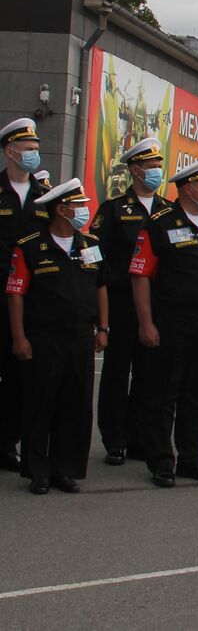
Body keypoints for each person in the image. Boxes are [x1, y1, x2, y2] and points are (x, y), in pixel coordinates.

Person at [128, 155, 198, 487]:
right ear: (189, 189)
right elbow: (140, 276)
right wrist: (146, 323)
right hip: (172, 321)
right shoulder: (160, 224)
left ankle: (192, 457)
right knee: (164, 393)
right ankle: (161, 460)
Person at [6, 179, 108, 494]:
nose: (83, 210)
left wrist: (103, 328)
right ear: (61, 209)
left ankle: (65, 469)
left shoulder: (89, 244)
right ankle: (38, 471)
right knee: (41, 404)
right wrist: (19, 337)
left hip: (80, 337)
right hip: (43, 337)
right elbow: (16, 294)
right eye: (78, 205)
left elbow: (101, 287)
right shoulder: (30, 246)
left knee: (74, 404)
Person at [92, 136, 170, 466]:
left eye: (159, 166)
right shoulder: (113, 210)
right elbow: (97, 258)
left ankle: (139, 436)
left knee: (149, 374)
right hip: (123, 302)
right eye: (151, 167)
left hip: (158, 304)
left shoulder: (169, 210)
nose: (157, 171)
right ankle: (115, 438)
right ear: (136, 170)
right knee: (117, 372)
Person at [0, 117, 50, 471]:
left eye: (36, 149)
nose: (34, 155)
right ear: (10, 151)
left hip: (31, 299)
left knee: (22, 374)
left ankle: (10, 442)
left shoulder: (44, 195)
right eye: (28, 149)